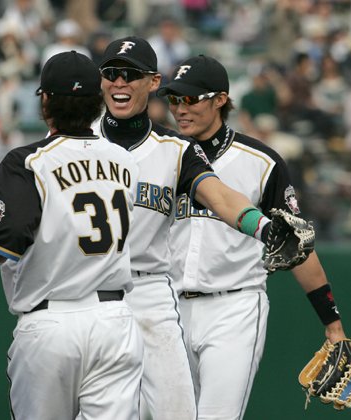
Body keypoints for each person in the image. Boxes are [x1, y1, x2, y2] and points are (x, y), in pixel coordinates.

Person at [92, 36, 298, 420]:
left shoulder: (176, 148)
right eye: (112, 73)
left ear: (152, 81)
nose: (120, 81)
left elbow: (221, 197)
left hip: (151, 291)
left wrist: (265, 228)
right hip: (85, 294)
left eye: (130, 74)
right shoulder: (75, 139)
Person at [0, 51, 144, 419]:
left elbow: (7, 236)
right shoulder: (125, 161)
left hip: (51, 322)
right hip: (115, 320)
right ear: (98, 102)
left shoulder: (27, 161)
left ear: (45, 101)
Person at [158, 54, 348, 419]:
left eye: (191, 98)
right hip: (166, 309)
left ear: (220, 99)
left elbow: (296, 244)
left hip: (233, 307)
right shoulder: (161, 155)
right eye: (174, 99)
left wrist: (332, 322)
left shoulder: (261, 162)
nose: (180, 108)